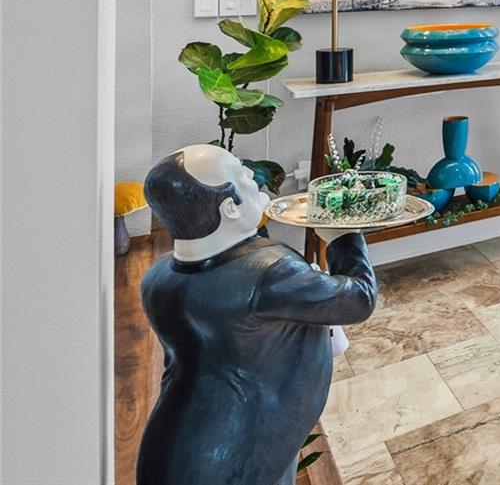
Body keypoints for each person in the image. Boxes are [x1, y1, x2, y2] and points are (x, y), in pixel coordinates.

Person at [137, 144, 378, 485]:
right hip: (232, 456)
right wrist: (345, 236)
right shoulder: (269, 275)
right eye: (241, 173)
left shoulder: (158, 278)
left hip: (171, 448)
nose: (251, 173)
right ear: (230, 208)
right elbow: (359, 298)